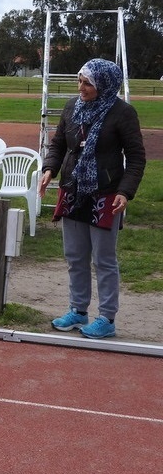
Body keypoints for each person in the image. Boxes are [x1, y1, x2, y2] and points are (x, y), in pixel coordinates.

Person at [39, 58, 146, 339]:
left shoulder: (122, 113)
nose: (81, 87)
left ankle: (107, 318)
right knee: (75, 256)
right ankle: (78, 310)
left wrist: (125, 191)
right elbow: (59, 143)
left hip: (106, 194)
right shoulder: (72, 107)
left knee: (104, 259)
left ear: (105, 85)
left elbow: (136, 157)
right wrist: (50, 169)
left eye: (88, 83)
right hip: (73, 191)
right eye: (80, 81)